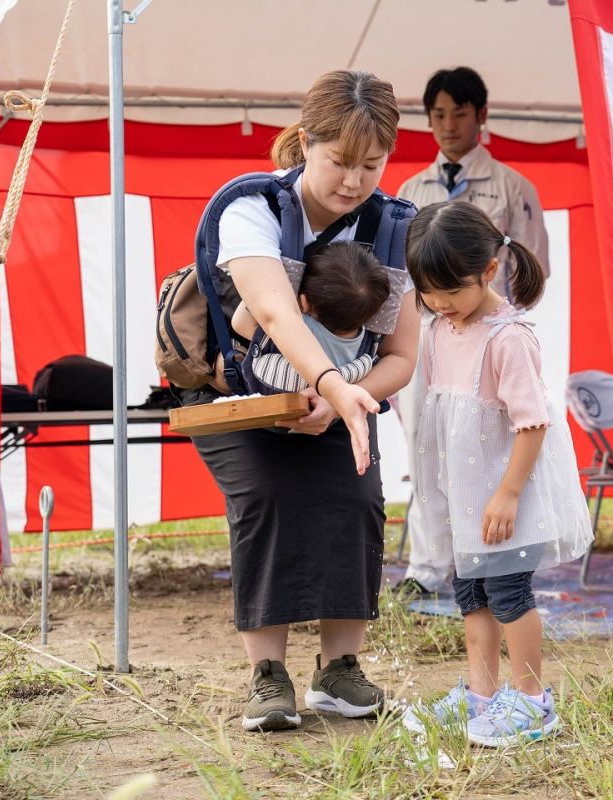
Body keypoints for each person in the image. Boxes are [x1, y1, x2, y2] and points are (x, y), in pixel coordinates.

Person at [181, 69, 419, 732]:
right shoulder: (252, 209)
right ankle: (268, 675)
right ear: (306, 142)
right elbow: (276, 315)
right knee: (266, 495)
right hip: (238, 394)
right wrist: (332, 385)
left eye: (371, 165)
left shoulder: (394, 228)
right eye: (340, 161)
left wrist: (346, 398)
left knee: (358, 496)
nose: (353, 181)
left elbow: (400, 357)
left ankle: (340, 672)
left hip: (342, 397)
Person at [399, 202, 590, 747]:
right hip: (466, 499)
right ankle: (481, 697)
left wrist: (507, 496)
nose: (438, 304)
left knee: (509, 597)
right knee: (472, 597)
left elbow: (533, 425)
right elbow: (442, 412)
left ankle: (532, 702)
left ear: (487, 272)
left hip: (503, 500)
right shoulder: (439, 329)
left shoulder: (508, 339)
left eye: (450, 292)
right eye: (426, 292)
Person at [394, 66, 551, 598]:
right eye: (438, 114)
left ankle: (492, 557)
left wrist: (502, 329)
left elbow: (534, 267)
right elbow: (400, 275)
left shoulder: (513, 188)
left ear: (481, 116)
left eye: (459, 113)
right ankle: (427, 567)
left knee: (489, 444)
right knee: (427, 444)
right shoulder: (411, 189)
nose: (448, 125)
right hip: (429, 338)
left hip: (488, 341)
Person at [232, 241, 390, 393]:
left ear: (304, 302)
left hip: (275, 402)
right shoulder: (365, 339)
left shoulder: (296, 327)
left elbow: (239, 323)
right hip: (330, 410)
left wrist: (267, 285)